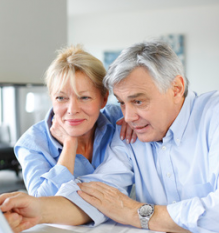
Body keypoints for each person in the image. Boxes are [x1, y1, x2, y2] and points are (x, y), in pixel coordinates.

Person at [0, 40, 219, 233]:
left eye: (138, 101)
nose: (129, 116)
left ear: (176, 88)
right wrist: (37, 209)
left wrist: (137, 213)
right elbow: (99, 193)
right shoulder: (130, 133)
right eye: (122, 103)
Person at [15, 45, 136, 197]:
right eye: (61, 98)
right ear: (52, 99)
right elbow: (42, 204)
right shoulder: (32, 143)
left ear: (104, 99)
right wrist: (70, 145)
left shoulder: (117, 118)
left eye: (84, 97)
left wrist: (134, 118)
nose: (72, 109)